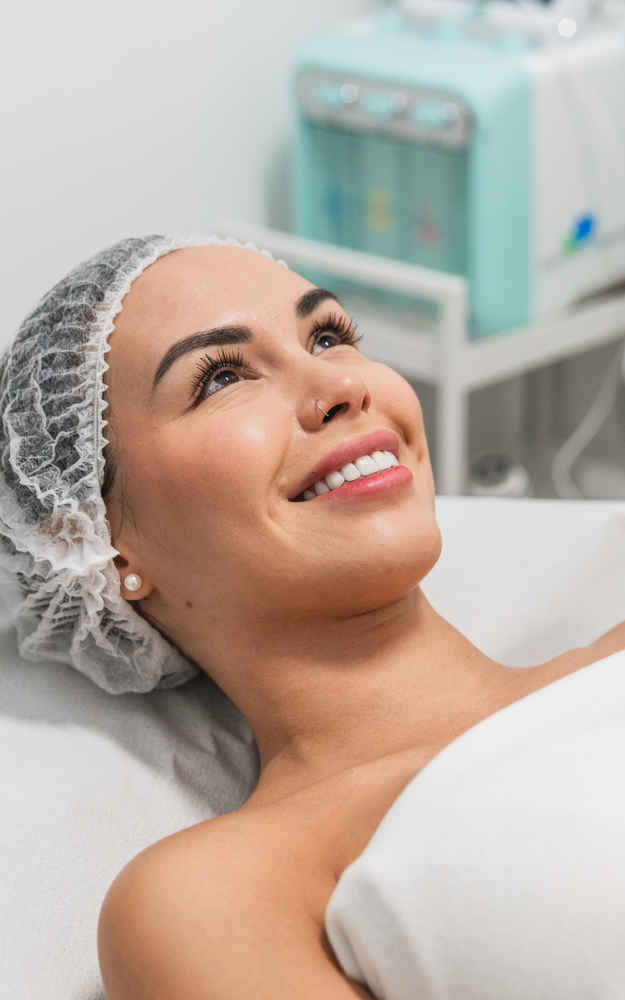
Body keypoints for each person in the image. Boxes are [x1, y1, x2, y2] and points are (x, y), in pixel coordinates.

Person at [1, 235, 621, 999]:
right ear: (93, 540)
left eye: (328, 336)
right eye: (221, 377)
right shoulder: (219, 897)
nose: (337, 386)